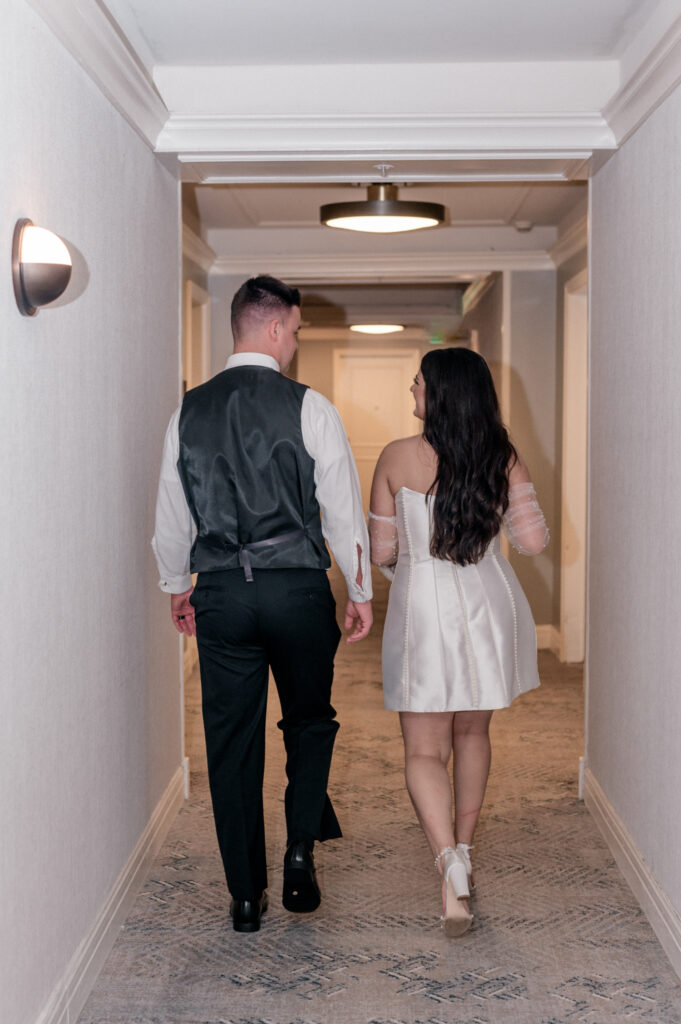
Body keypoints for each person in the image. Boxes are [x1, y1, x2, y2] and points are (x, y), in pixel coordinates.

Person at [152, 275, 373, 933]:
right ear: (275, 328)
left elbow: (171, 515)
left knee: (231, 743)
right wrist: (359, 591)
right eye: (297, 330)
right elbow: (341, 511)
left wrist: (176, 586)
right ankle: (300, 850)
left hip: (221, 589)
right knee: (309, 721)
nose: (297, 341)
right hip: (297, 588)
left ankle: (245, 898)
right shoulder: (310, 406)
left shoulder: (186, 411)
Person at [369, 347, 548, 937]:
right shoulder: (503, 456)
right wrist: (505, 499)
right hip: (486, 602)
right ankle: (464, 852)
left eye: (419, 382)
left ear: (443, 392)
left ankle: (448, 865)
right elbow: (532, 541)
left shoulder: (396, 457)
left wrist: (414, 564)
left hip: (424, 607)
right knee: (473, 731)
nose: (412, 391)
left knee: (423, 751)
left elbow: (382, 554)